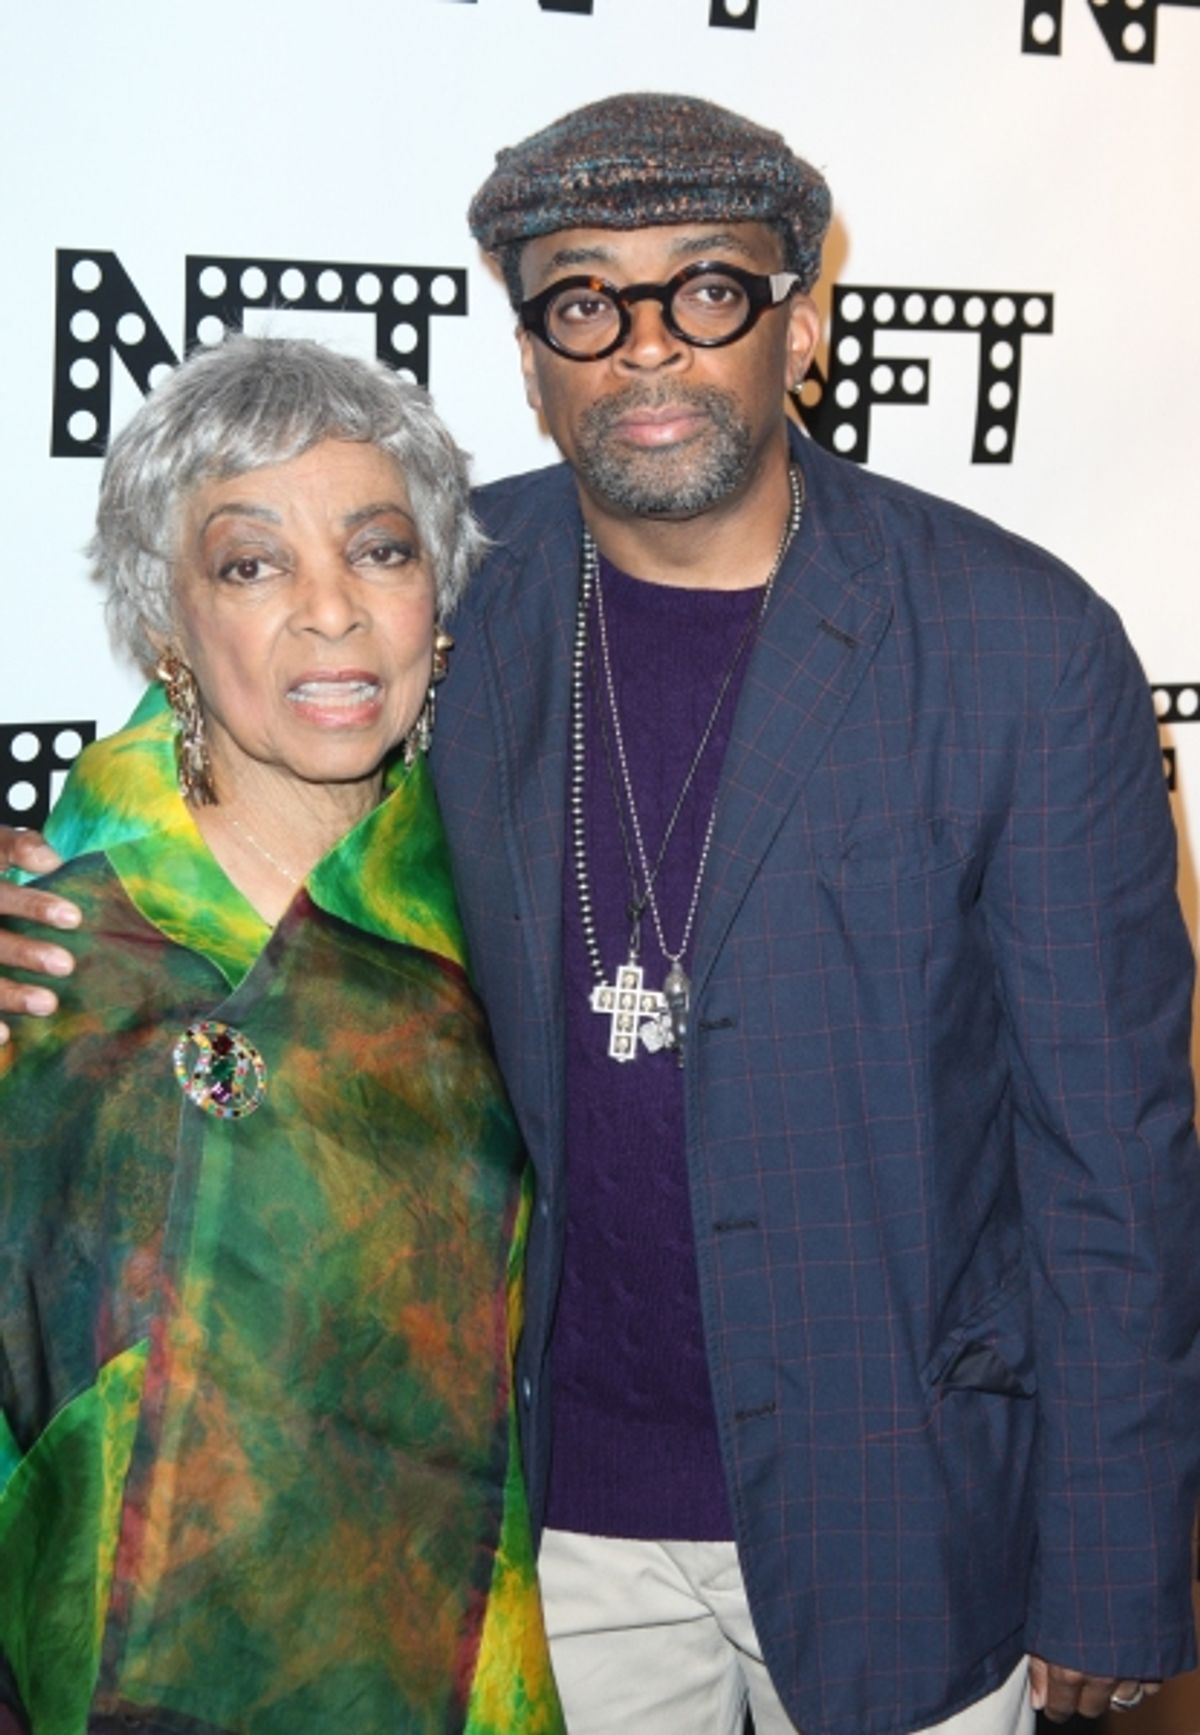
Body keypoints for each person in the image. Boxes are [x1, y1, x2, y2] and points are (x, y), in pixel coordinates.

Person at [3, 92, 1200, 1735]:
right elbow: (216, 763)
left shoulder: (1022, 646)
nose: (647, 348)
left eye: (707, 288)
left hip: (903, 1521)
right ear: (528, 353)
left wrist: (1114, 1563)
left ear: (806, 322)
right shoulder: (455, 597)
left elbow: (1114, 1160)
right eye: (583, 299)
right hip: (544, 1530)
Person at [0, 336, 562, 1734]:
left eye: (379, 553)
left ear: (438, 603)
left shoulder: (522, 924)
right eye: (251, 565)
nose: (330, 613)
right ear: (166, 627)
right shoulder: (47, 941)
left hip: (442, 1671)